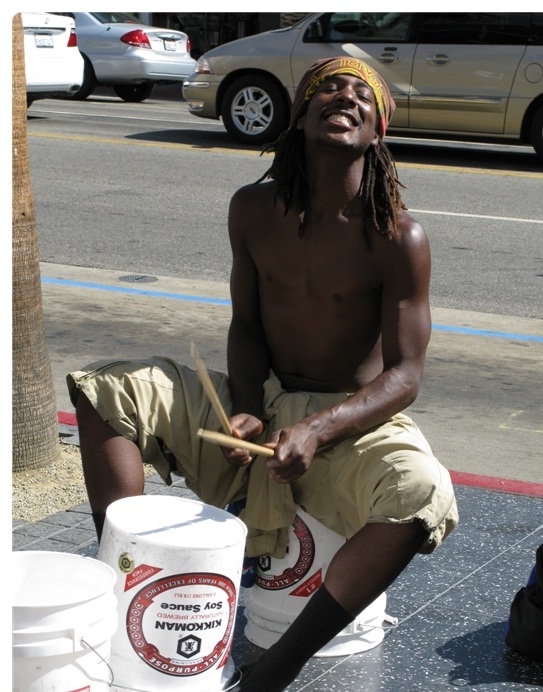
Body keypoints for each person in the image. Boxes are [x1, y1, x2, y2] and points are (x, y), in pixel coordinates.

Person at [67, 56, 459, 692]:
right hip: (266, 397)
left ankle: (277, 668)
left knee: (422, 493)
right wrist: (246, 405)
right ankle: (127, 589)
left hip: (347, 418)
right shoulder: (251, 209)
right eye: (328, 88)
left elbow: (405, 375)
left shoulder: (398, 236)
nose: (345, 97)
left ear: (377, 131)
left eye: (362, 94)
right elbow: (246, 325)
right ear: (300, 116)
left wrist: (319, 429)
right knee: (107, 391)